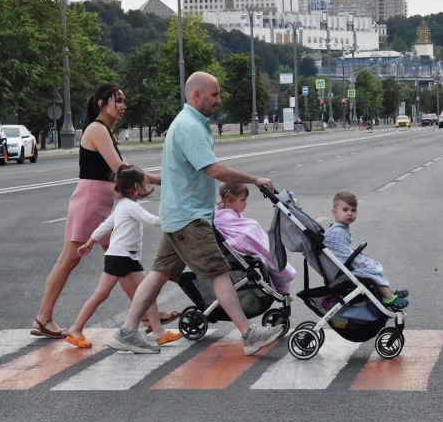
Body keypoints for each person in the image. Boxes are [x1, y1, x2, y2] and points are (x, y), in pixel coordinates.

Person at [108, 72, 283, 355]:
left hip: (180, 214)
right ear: (197, 95)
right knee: (219, 271)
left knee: (158, 274)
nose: (219, 100)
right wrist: (255, 179)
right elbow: (213, 170)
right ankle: (249, 335)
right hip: (189, 217)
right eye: (214, 94)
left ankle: (127, 332)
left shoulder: (190, 123)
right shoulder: (189, 126)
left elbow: (184, 173)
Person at [30, 82, 170, 339]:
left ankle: (151, 315)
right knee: (70, 259)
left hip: (99, 203)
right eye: (117, 100)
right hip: (90, 202)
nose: (123, 106)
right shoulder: (97, 129)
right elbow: (120, 168)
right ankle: (43, 317)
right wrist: (159, 179)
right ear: (101, 103)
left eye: (123, 100)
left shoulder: (104, 130)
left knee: (123, 261)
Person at [66, 165, 182, 348]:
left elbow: (105, 225)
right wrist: (174, 217)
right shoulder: (130, 207)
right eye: (144, 184)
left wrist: (89, 243)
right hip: (120, 257)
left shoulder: (122, 206)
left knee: (148, 291)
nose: (146, 187)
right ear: (136, 187)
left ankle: (159, 333)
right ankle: (75, 329)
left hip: (127, 257)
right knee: (102, 294)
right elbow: (152, 220)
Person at [323, 190, 409, 309]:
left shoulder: (340, 228)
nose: (350, 213)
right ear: (334, 212)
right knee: (371, 270)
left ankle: (389, 290)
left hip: (343, 266)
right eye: (345, 210)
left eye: (353, 210)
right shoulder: (337, 232)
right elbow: (341, 255)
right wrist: (359, 260)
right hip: (342, 269)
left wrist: (359, 255)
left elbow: (343, 249)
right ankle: (388, 297)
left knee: (369, 265)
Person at [214, 183, 296, 295]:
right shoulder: (223, 218)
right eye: (243, 200)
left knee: (253, 227)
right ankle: (282, 272)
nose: (245, 203)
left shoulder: (224, 213)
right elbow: (238, 235)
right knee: (254, 229)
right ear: (231, 200)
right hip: (241, 246)